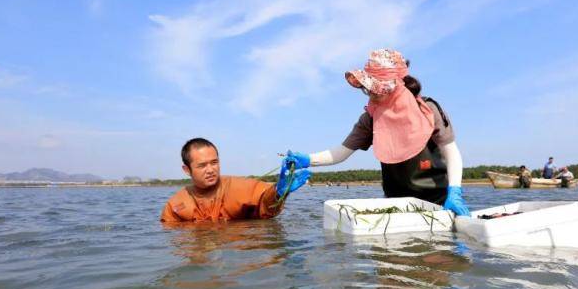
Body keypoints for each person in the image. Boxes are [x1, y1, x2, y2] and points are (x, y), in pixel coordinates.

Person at [283, 49, 470, 217]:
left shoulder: (428, 110)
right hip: (397, 205)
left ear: (396, 86)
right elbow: (342, 151)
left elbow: (450, 151)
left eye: (377, 90)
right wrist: (307, 159)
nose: (371, 94)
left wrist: (455, 192)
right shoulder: (370, 119)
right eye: (368, 89)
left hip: (439, 202)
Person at [160, 138, 310, 222]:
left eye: (214, 162)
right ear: (187, 170)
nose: (211, 170)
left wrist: (278, 192)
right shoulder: (175, 205)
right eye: (202, 165)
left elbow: (265, 204)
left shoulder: (239, 187)